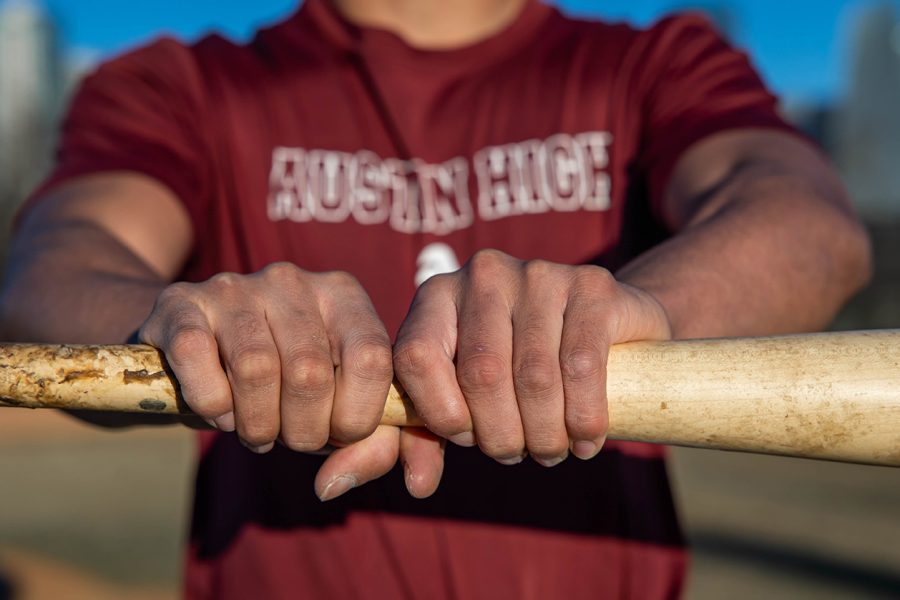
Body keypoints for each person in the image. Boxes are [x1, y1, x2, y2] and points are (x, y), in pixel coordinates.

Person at [0, 0, 871, 598]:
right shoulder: (184, 84)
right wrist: (185, 322)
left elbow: (808, 224)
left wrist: (642, 306)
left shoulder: (652, 63)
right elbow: (55, 267)